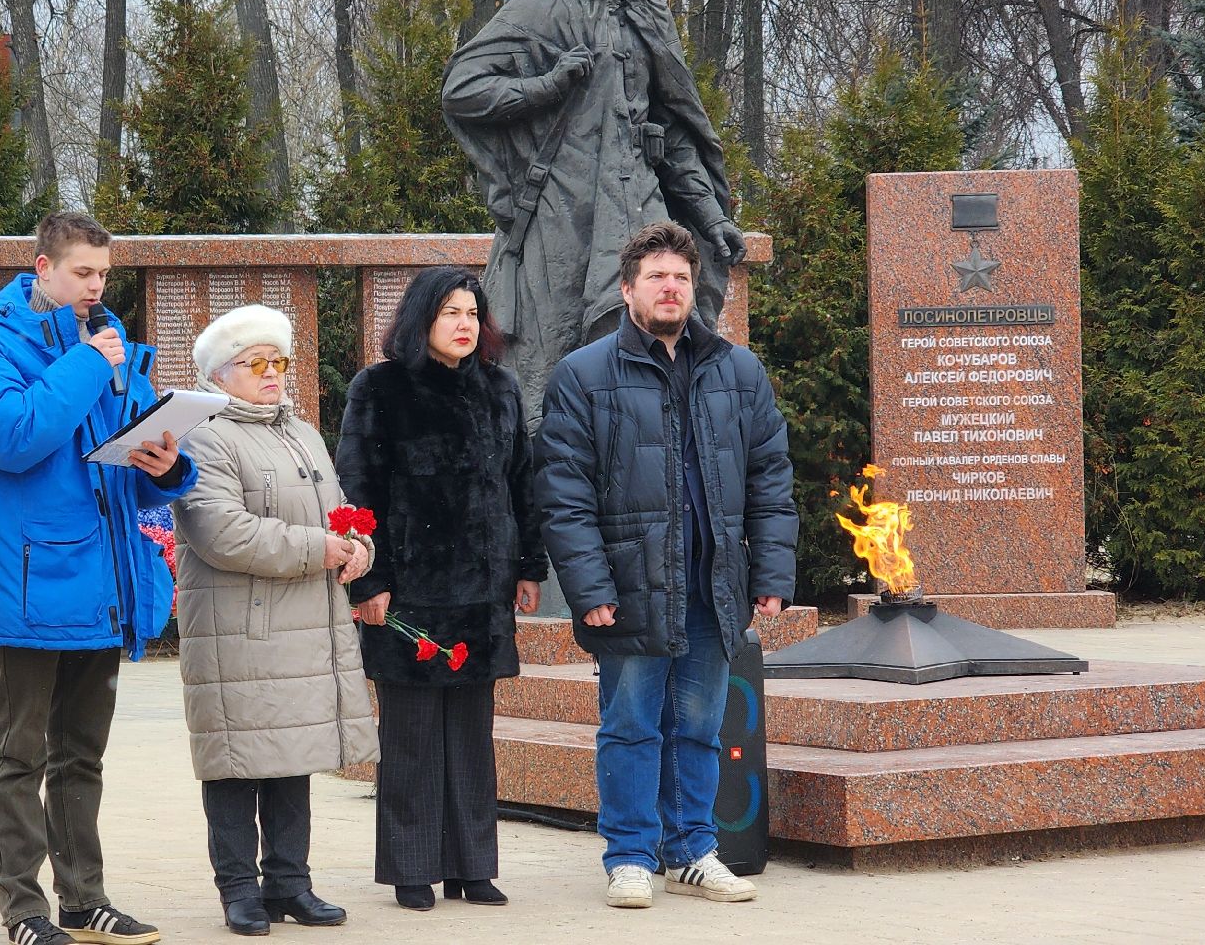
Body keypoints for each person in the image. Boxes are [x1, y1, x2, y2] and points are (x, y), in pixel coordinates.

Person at [533, 222, 797, 909]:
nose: (670, 287)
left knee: (701, 725)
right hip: (629, 589)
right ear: (627, 291)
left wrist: (770, 575)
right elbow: (563, 492)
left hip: (714, 589)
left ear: (696, 288)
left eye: (680, 276)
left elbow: (771, 479)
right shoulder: (583, 375)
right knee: (629, 725)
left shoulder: (739, 372)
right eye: (656, 276)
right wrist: (587, 586)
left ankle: (691, 850)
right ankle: (628, 855)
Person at [0, 210, 198, 945]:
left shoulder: (108, 343)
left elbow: (120, 466)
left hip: (102, 580)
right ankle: (23, 911)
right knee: (20, 753)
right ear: (43, 270)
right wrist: (93, 363)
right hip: (32, 581)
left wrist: (166, 466)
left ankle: (84, 900)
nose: (96, 287)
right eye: (83, 273)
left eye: (103, 274)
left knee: (82, 754)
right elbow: (12, 438)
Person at [441, 0, 746, 424]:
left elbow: (673, 126)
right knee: (554, 365)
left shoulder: (643, 5)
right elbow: (463, 89)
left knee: (660, 353)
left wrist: (709, 212)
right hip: (566, 218)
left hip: (640, 211)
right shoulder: (546, 4)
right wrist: (546, 85)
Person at [334, 267, 549, 911]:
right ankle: (411, 867)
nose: (464, 324)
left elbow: (522, 483)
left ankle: (471, 865)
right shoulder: (379, 389)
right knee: (412, 735)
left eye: (472, 313)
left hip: (484, 591)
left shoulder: (500, 389)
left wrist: (528, 566)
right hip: (409, 592)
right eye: (450, 312)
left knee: (472, 734)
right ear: (421, 319)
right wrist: (367, 579)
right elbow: (358, 487)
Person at [172, 305, 380, 936]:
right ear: (218, 375)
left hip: (304, 625)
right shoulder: (205, 434)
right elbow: (221, 533)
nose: (271, 373)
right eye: (253, 363)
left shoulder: (302, 430)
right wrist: (319, 548)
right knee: (236, 761)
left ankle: (290, 882)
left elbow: (339, 509)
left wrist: (359, 548)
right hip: (240, 628)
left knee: (294, 755)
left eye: (278, 361)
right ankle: (238, 888)